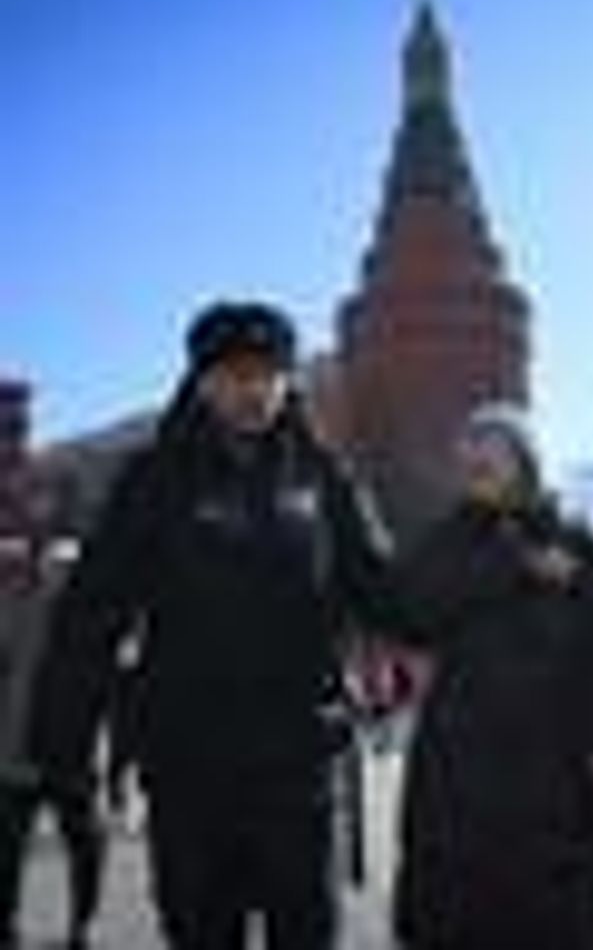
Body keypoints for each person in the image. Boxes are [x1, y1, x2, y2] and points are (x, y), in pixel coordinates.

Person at [29, 301, 399, 950]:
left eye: (266, 373)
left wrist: (490, 570)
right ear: (201, 382)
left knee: (308, 932)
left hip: (299, 764)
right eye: (232, 375)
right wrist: (63, 741)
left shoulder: (323, 479)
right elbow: (91, 614)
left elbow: (386, 592)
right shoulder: (154, 479)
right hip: (190, 763)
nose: (251, 390)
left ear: (288, 382)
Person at [392, 403, 593, 950]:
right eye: (468, 445)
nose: (474, 454)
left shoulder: (576, 542)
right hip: (456, 785)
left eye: (491, 443)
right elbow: (412, 612)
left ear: (525, 460)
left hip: (556, 784)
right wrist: (512, 566)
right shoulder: (444, 542)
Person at [0, 536, 106, 950]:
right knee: (7, 849)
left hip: (71, 754)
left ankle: (83, 923)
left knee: (85, 844)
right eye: (54, 571)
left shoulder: (94, 622)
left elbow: (114, 690)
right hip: (18, 749)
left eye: (69, 573)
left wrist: (116, 762)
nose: (60, 579)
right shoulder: (15, 611)